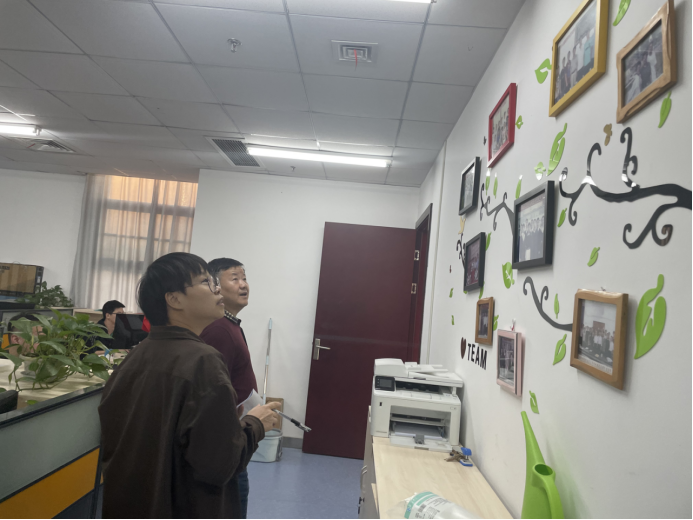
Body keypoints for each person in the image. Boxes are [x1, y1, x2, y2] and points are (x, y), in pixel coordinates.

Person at [98, 252, 280, 519]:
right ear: (174, 299)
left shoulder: (135, 357)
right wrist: (256, 424)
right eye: (206, 282)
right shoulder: (203, 360)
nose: (216, 289)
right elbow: (219, 465)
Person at [200, 258, 257, 520]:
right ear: (215, 286)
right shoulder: (219, 330)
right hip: (226, 443)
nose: (243, 285)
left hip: (235, 439)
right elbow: (213, 390)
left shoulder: (230, 324)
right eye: (235, 278)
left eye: (244, 278)